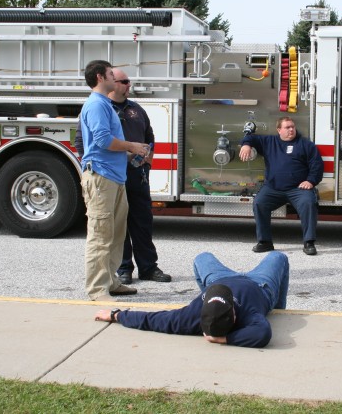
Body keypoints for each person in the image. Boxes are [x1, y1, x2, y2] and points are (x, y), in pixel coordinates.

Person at [78, 68, 171, 285]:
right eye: (124, 81)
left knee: (141, 222)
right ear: (107, 80)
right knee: (112, 228)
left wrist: (147, 162)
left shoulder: (135, 109)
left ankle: (148, 267)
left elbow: (149, 136)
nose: (129, 85)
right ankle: (124, 269)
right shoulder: (99, 106)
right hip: (109, 175)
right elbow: (85, 142)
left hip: (135, 174)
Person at [94, 251, 290, 348]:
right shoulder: (249, 316)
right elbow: (263, 334)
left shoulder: (188, 317)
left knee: (202, 257)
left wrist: (116, 315)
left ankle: (211, 286)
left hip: (219, 279)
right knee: (278, 257)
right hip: (260, 285)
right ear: (233, 313)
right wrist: (225, 339)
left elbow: (150, 320)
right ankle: (279, 310)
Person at [79, 60, 150, 302]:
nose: (115, 77)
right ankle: (97, 289)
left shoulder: (105, 104)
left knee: (115, 234)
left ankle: (111, 281)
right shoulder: (97, 105)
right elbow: (101, 140)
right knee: (100, 235)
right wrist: (131, 145)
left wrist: (131, 153)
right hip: (101, 179)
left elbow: (108, 144)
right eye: (111, 73)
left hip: (114, 178)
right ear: (100, 77)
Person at [239, 117, 324, 255]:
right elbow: (251, 138)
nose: (291, 130)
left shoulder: (305, 144)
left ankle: (309, 242)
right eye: (287, 127)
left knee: (308, 203)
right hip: (273, 188)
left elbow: (317, 166)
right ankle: (265, 242)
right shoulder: (269, 142)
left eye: (293, 127)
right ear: (279, 130)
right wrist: (246, 145)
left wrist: (311, 181)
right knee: (259, 203)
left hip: (298, 189)